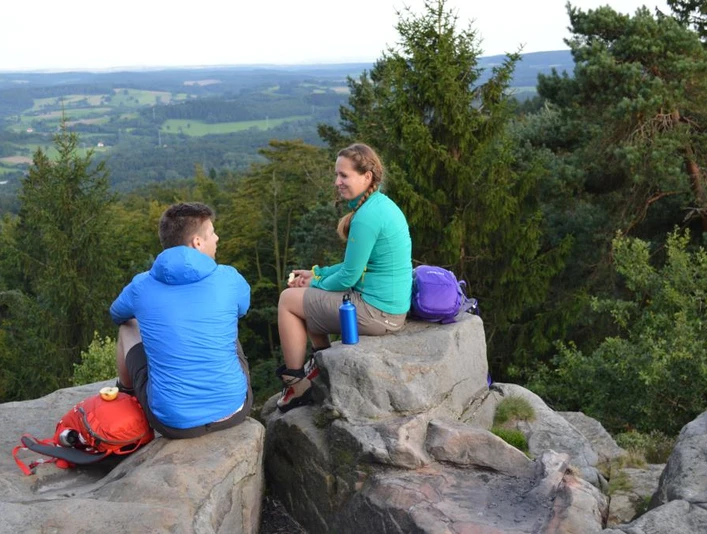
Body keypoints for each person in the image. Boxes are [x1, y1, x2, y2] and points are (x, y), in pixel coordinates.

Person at [276, 143, 412, 412]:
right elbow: (354, 266)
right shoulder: (380, 205)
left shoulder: (367, 217)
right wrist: (317, 275)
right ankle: (323, 366)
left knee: (288, 301)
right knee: (309, 298)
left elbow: (349, 275)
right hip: (386, 307)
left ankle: (296, 383)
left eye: (344, 175)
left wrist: (313, 283)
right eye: (336, 175)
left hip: (378, 312)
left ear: (367, 177)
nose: (337, 182)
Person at [109, 202, 252, 438]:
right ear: (197, 242)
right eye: (212, 233)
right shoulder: (229, 277)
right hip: (233, 410)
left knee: (128, 325)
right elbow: (242, 309)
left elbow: (117, 314)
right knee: (224, 323)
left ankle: (125, 394)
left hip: (172, 423)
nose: (217, 238)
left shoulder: (141, 285)